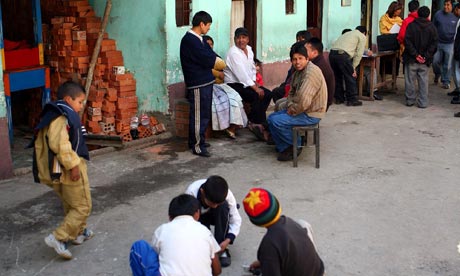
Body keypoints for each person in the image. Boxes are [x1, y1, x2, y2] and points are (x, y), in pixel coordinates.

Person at [33, 81, 93, 259]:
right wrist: (73, 166)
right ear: (68, 99)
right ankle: (59, 237)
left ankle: (79, 232)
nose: (81, 106)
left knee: (71, 202)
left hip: (57, 168)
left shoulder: (56, 113)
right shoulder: (62, 117)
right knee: (83, 206)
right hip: (67, 167)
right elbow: (60, 144)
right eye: (80, 102)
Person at [129, 194, 222, 276]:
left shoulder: (162, 230)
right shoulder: (205, 231)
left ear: (170, 217)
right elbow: (217, 271)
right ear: (197, 213)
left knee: (139, 247)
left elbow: (156, 256)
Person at [243, 188, 325, 276]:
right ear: (278, 206)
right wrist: (263, 262)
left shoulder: (268, 244)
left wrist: (266, 262)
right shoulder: (290, 223)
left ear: (256, 222)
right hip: (318, 271)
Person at [267, 42, 327, 161]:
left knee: (276, 121)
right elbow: (291, 93)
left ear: (307, 58)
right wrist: (290, 105)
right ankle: (285, 146)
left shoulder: (311, 73)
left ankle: (296, 144)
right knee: (271, 118)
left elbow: (304, 101)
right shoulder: (298, 72)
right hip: (301, 109)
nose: (297, 62)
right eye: (294, 59)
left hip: (311, 113)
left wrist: (293, 110)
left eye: (300, 58)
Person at [224, 27, 272, 141]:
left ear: (248, 39)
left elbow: (251, 68)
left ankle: (256, 121)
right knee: (256, 95)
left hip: (246, 83)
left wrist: (255, 81)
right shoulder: (233, 53)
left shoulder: (249, 50)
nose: (241, 40)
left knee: (268, 94)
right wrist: (255, 88)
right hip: (233, 84)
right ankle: (257, 124)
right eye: (238, 38)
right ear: (235, 39)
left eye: (244, 38)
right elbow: (241, 75)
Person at [180, 11, 217, 157]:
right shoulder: (190, 40)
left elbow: (211, 55)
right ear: (201, 24)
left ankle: (198, 139)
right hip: (197, 83)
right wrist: (211, 59)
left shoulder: (199, 39)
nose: (208, 28)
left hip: (205, 81)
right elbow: (208, 59)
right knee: (198, 116)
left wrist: (211, 58)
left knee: (204, 114)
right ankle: (197, 145)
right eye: (208, 25)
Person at [185, 175, 242, 267]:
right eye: (212, 203)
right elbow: (187, 221)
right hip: (199, 216)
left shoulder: (227, 194)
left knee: (223, 207)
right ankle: (205, 247)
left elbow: (235, 219)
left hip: (217, 216)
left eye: (217, 203)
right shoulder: (191, 193)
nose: (215, 206)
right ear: (202, 192)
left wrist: (228, 240)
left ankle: (221, 248)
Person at [203, 35, 248, 139]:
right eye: (207, 44)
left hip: (221, 86)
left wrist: (218, 74)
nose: (209, 47)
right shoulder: (201, 59)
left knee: (235, 97)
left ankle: (233, 126)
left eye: (211, 44)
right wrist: (217, 74)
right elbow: (210, 70)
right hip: (209, 86)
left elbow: (223, 67)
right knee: (220, 102)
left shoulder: (215, 57)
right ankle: (223, 126)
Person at [403, 6, 438, 108]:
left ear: (418, 14)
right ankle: (423, 102)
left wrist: (416, 55)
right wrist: (425, 56)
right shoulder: (432, 27)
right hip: (425, 60)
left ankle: (410, 100)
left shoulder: (411, 26)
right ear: (428, 15)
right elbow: (434, 44)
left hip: (411, 58)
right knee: (423, 81)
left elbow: (407, 42)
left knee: (410, 80)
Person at [329, 26, 367, 106]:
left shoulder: (348, 34)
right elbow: (359, 53)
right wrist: (353, 67)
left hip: (332, 54)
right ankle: (352, 99)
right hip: (342, 55)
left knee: (337, 77)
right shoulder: (362, 36)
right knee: (350, 77)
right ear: (364, 33)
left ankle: (339, 98)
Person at [432, 0, 458, 89]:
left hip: (450, 44)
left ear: (452, 6)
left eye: (448, 5)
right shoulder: (438, 14)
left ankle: (446, 81)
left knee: (448, 64)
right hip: (438, 43)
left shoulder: (456, 16)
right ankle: (437, 74)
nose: (446, 7)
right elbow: (433, 27)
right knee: (435, 61)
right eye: (445, 5)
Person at [305, 38, 335, 110]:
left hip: (319, 104)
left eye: (306, 51)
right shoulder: (315, 62)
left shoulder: (318, 67)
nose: (303, 53)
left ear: (315, 53)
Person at [450, 3, 460, 103]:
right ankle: (457, 89)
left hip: (458, 51)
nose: (455, 12)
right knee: (454, 70)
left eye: (456, 10)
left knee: (457, 73)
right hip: (455, 48)